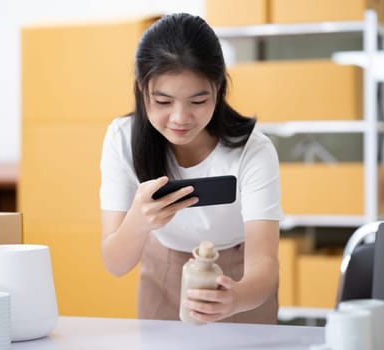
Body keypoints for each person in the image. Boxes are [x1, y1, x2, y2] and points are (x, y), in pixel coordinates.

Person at [99, 12, 282, 324]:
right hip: (163, 269)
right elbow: (115, 264)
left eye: (198, 101)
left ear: (219, 88)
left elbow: (264, 264)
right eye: (164, 101)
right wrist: (138, 222)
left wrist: (235, 298)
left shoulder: (254, 149)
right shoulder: (122, 139)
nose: (180, 118)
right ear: (142, 90)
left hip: (239, 279)